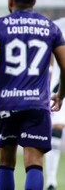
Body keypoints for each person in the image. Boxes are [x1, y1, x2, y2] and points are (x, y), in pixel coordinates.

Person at [0, 0, 65, 190]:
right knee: (34, 163)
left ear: (10, 1)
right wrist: (61, 95)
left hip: (7, 104)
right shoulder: (50, 28)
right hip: (37, 104)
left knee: (5, 162)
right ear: (34, 2)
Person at [45, 17, 65, 190]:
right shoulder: (56, 26)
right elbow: (49, 59)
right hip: (60, 87)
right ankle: (51, 181)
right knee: (56, 128)